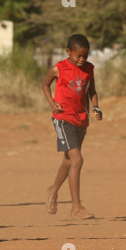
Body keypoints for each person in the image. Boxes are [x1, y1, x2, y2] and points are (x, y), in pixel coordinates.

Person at [42, 34, 102, 220]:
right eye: (78, 56)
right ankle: (76, 207)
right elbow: (45, 85)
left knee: (68, 161)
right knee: (77, 160)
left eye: (85, 56)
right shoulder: (58, 68)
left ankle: (52, 190)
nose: (82, 59)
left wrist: (96, 107)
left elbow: (92, 91)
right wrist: (52, 102)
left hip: (81, 118)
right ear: (68, 52)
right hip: (63, 118)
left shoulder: (89, 69)